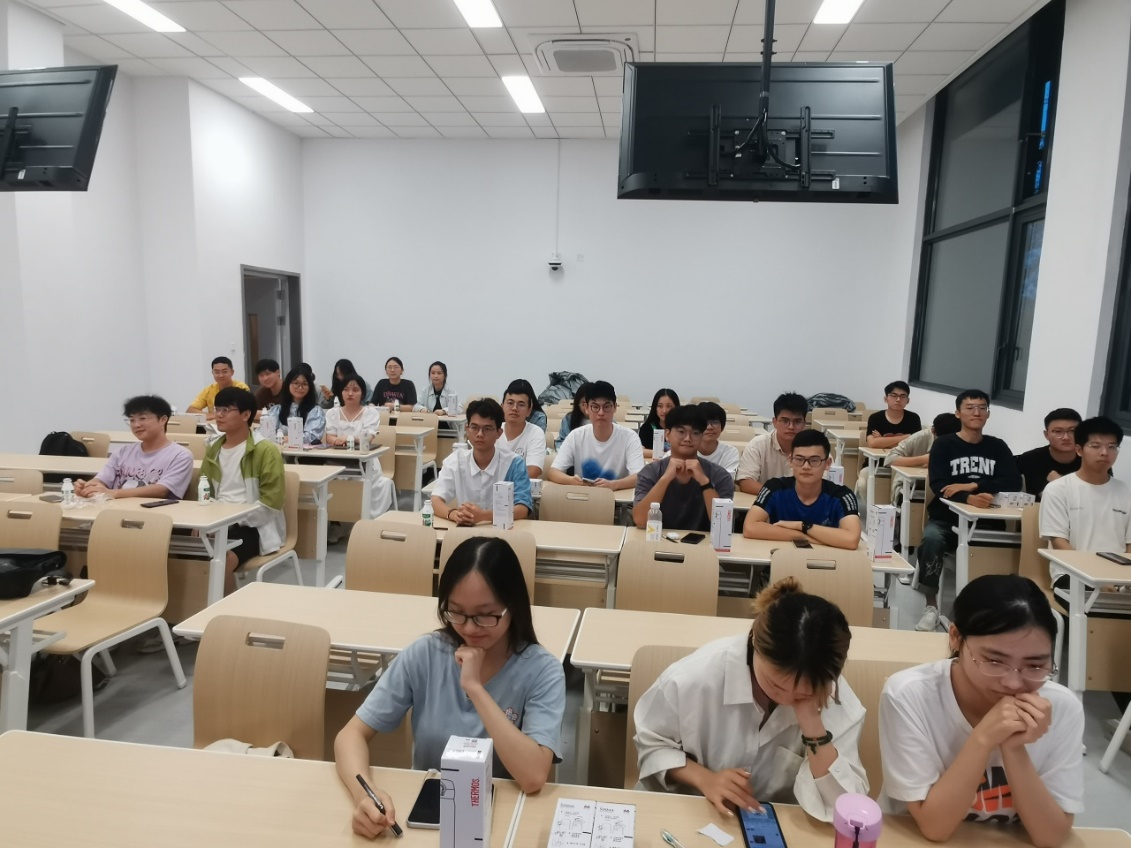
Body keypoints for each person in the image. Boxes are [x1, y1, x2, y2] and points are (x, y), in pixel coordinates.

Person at [334, 536, 565, 836]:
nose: (468, 627)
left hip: (502, 824)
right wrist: (365, 795)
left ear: (512, 606)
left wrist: (475, 688)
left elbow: (533, 776)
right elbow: (350, 735)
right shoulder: (426, 653)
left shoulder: (542, 670)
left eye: (484, 615)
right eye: (455, 611)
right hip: (427, 820)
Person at [634, 577, 867, 822]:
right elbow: (652, 747)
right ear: (755, 641)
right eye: (775, 685)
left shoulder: (838, 700)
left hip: (777, 825)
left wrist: (813, 726)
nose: (786, 699)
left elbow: (847, 808)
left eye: (802, 695)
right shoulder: (693, 678)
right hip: (690, 813)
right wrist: (705, 779)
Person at [879, 575, 1082, 846]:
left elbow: (1051, 837)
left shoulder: (1062, 708)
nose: (1013, 682)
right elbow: (935, 828)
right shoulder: (909, 696)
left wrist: (1013, 748)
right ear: (955, 638)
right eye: (994, 661)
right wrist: (984, 738)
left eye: (1035, 666)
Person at [916, 390, 1022, 633]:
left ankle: (994, 609)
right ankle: (931, 606)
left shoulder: (997, 446)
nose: (977, 413)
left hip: (987, 520)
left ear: (988, 414)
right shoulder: (944, 444)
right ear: (958, 413)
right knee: (931, 540)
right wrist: (968, 499)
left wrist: (973, 486)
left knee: (1012, 546)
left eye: (982, 408)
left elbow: (1013, 481)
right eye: (970, 407)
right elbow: (939, 485)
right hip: (946, 518)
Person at [200, 387, 286, 596]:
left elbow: (271, 503)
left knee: (222, 558)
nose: (219, 415)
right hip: (215, 520)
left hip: (252, 525)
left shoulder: (265, 450)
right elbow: (204, 489)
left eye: (226, 410)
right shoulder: (213, 448)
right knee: (174, 548)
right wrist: (204, 520)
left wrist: (229, 520)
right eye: (217, 409)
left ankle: (222, 611)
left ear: (246, 415)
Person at [742, 429, 861, 550]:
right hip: (781, 556)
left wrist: (803, 526)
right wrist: (803, 536)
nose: (806, 466)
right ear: (790, 461)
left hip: (828, 559)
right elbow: (750, 528)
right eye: (799, 459)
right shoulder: (774, 488)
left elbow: (851, 539)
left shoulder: (842, 495)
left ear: (827, 463)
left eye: (814, 461)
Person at [430, 398, 533, 526]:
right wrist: (454, 514)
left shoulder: (514, 463)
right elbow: (435, 500)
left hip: (503, 531)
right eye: (474, 427)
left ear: (499, 433)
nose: (479, 434)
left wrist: (484, 516)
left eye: (487, 429)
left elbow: (523, 509)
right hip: (466, 530)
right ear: (467, 429)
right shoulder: (455, 461)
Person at [632, 404, 734, 532]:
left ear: (702, 437)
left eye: (695, 433)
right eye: (681, 432)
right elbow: (640, 520)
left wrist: (704, 482)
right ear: (667, 435)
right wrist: (665, 478)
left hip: (704, 543)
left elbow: (723, 526)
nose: (688, 439)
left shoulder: (720, 475)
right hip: (657, 540)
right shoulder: (650, 472)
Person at [74, 395, 193, 500]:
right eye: (132, 420)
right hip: (117, 510)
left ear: (163, 420)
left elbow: (162, 490)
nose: (136, 425)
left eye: (143, 418)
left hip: (155, 513)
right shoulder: (122, 452)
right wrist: (88, 487)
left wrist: (114, 493)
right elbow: (102, 479)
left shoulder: (180, 455)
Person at [548, 381, 644, 491]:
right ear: (586, 408)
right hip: (584, 496)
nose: (601, 413)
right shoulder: (576, 436)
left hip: (616, 498)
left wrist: (614, 485)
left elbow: (640, 477)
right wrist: (572, 481)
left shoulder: (629, 437)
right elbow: (553, 472)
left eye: (606, 407)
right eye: (595, 407)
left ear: (615, 407)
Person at [323, 374, 395, 518]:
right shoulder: (332, 413)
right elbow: (329, 436)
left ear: (362, 393)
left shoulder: (370, 413)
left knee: (361, 482)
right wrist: (335, 440)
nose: (350, 393)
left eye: (355, 390)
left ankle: (362, 519)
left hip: (364, 462)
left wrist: (349, 438)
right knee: (326, 480)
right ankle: (335, 518)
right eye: (346, 389)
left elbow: (369, 437)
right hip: (337, 460)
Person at [736, 393, 808, 495]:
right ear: (774, 422)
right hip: (765, 502)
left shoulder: (816, 449)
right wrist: (778, 495)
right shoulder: (757, 445)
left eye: (797, 421)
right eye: (785, 421)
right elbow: (746, 482)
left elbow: (824, 484)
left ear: (804, 423)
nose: (791, 427)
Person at [1015, 408, 1083, 499]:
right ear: (1046, 434)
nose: (1066, 437)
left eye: (1073, 431)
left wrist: (1059, 482)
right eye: (1058, 431)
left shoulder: (1092, 461)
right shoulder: (1030, 460)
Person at [498, 379, 547, 479]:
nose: (514, 408)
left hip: (521, 488)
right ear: (502, 407)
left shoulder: (536, 433)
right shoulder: (493, 430)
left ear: (529, 411)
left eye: (521, 404)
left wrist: (502, 482)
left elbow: (533, 471)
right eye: (510, 403)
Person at [268, 363, 325, 445]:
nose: (300, 387)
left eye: (304, 384)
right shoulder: (277, 410)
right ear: (288, 384)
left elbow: (313, 437)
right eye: (296, 383)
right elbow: (265, 432)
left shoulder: (315, 411)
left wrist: (289, 438)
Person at [865, 381, 922, 449]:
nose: (898, 399)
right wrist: (906, 437)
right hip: (878, 456)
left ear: (908, 401)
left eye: (903, 396)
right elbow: (872, 443)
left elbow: (916, 446)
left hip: (903, 456)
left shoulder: (913, 418)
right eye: (894, 395)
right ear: (886, 399)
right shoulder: (875, 418)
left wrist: (882, 441)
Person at [696, 401, 741, 476]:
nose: (709, 427)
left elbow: (726, 481)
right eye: (704, 422)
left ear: (722, 426)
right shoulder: (684, 450)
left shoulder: (730, 452)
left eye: (715, 422)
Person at [638, 388, 679, 458]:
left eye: (668, 406)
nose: (664, 410)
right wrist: (666, 455)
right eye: (660, 406)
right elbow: (640, 451)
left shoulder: (682, 429)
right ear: (655, 408)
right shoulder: (647, 428)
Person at [556, 383, 590, 449]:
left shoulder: (604, 419)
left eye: (591, 404)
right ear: (578, 403)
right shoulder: (569, 419)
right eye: (583, 404)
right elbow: (561, 441)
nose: (587, 408)